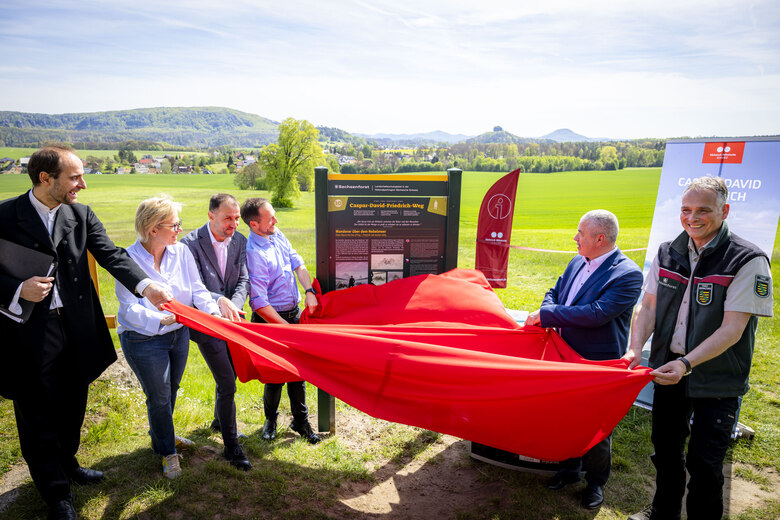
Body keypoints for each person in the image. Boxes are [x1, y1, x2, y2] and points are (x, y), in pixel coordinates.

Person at [0, 145, 171, 520]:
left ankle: (68, 463)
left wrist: (147, 287)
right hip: (30, 331)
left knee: (73, 401)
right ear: (46, 178)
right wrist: (16, 289)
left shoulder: (80, 214)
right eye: (75, 176)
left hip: (77, 328)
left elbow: (111, 255)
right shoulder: (5, 215)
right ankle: (56, 493)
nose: (84, 184)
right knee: (37, 411)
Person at [624, 177, 772, 520]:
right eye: (686, 210)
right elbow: (647, 308)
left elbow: (732, 329)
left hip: (716, 379)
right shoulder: (667, 251)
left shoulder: (748, 259)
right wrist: (634, 350)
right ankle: (663, 512)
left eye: (703, 210)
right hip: (667, 369)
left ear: (725, 211)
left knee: (704, 464)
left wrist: (687, 364)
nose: (692, 217)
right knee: (665, 451)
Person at [525, 209, 643, 510]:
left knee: (595, 427)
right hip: (563, 356)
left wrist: (547, 314)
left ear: (599, 238)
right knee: (563, 417)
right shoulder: (577, 260)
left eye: (580, 233)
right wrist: (546, 309)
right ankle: (568, 470)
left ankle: (595, 484)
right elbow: (555, 291)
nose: (575, 238)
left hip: (596, 363)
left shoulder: (628, 274)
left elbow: (597, 313)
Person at [115, 195, 226, 480]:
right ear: (153, 229)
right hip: (143, 339)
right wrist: (163, 319)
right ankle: (166, 452)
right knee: (160, 397)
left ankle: (164, 435)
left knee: (171, 389)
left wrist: (213, 313)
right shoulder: (127, 260)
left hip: (179, 334)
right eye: (174, 224)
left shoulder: (181, 252)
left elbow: (198, 289)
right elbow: (129, 309)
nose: (180, 229)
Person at [240, 197, 322, 444]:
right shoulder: (254, 253)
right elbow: (259, 302)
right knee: (274, 375)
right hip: (270, 320)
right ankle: (270, 420)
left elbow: (298, 263)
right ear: (254, 225)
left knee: (299, 372)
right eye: (270, 217)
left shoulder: (276, 233)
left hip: (293, 313)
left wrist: (309, 291)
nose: (276, 220)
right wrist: (286, 330)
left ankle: (301, 421)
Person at [180, 193, 252, 471]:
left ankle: (218, 422)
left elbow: (243, 279)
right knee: (227, 382)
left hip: (232, 320)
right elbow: (191, 287)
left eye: (236, 218)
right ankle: (231, 447)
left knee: (230, 375)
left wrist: (233, 307)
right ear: (211, 215)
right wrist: (218, 304)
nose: (234, 223)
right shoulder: (188, 244)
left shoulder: (240, 241)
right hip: (205, 322)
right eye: (228, 218)